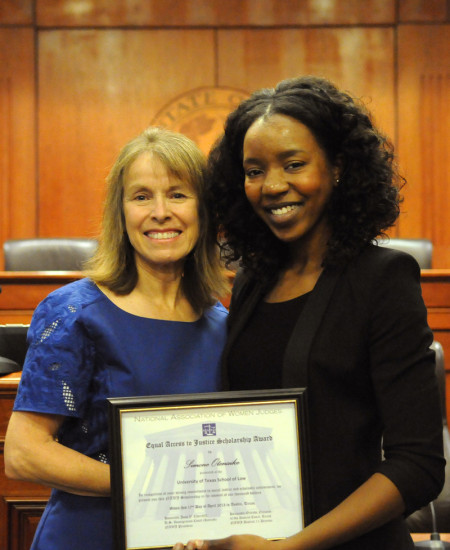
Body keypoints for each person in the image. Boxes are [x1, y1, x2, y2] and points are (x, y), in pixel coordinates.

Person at [175, 76, 445, 550]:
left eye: (294, 164)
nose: (273, 186)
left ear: (339, 167)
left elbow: (418, 465)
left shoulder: (384, 278)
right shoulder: (254, 281)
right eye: (254, 170)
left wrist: (290, 547)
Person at [4, 127, 229, 550]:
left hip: (186, 538)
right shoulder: (73, 312)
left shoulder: (222, 323)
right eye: (141, 196)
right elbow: (23, 453)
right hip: (89, 534)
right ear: (121, 213)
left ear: (204, 210)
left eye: (178, 195)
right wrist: (153, 489)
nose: (160, 212)